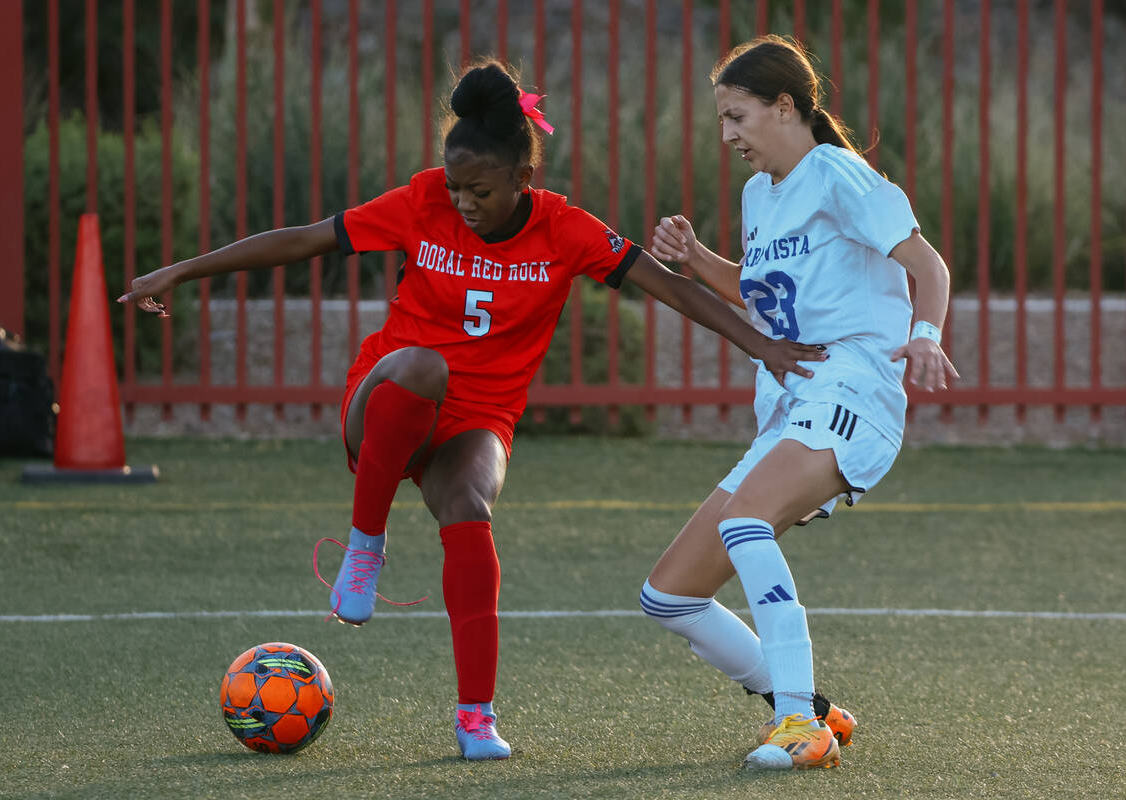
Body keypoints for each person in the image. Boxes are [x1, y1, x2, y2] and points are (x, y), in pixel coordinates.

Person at [119, 59, 827, 762]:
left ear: (523, 178)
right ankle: (365, 546)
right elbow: (304, 239)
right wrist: (182, 269)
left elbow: (670, 288)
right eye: (454, 186)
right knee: (426, 363)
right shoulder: (421, 200)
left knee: (469, 507)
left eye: (479, 189)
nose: (461, 201)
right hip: (387, 400)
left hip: (476, 418)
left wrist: (762, 345)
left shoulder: (565, 229)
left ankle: (475, 717)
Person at [638, 34, 959, 771]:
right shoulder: (761, 194)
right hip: (790, 404)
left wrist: (925, 335)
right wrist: (695, 259)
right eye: (722, 120)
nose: (728, 136)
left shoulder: (840, 174)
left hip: (852, 388)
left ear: (786, 106)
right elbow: (760, 290)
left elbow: (928, 265)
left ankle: (797, 728)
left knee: (749, 523)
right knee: (669, 595)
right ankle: (814, 708)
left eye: (738, 116)